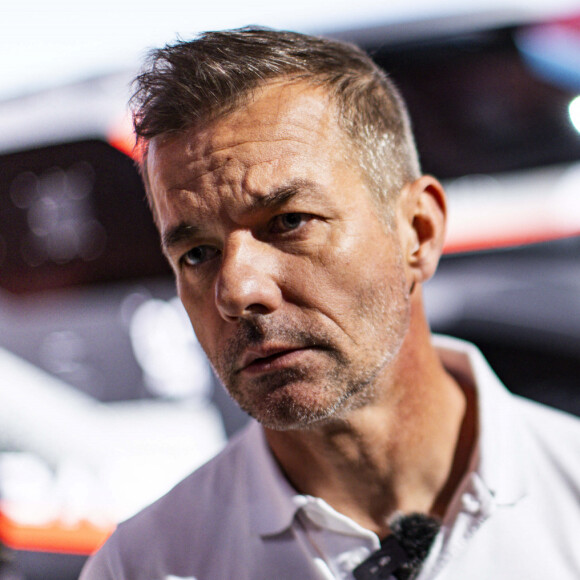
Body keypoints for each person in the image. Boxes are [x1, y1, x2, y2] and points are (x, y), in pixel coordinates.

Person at [80, 27, 580, 580]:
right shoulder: (143, 567)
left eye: (288, 222)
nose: (238, 291)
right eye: (197, 253)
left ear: (418, 230)